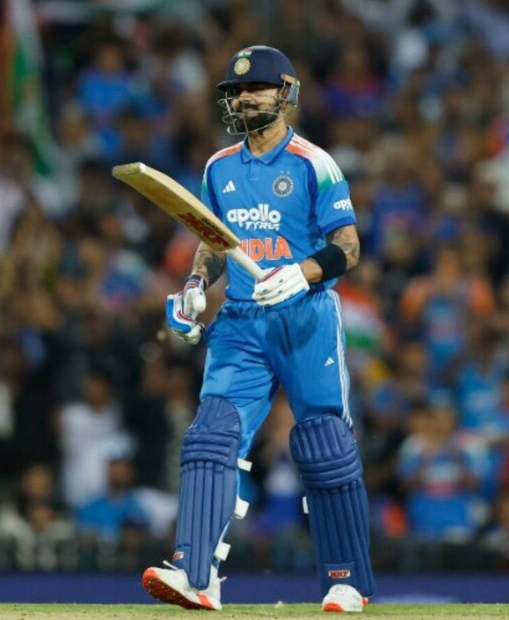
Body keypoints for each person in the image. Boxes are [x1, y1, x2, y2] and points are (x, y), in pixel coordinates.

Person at [141, 45, 375, 613]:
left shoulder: (314, 164)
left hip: (305, 316)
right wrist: (195, 286)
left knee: (323, 445)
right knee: (210, 437)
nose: (244, 99)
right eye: (236, 91)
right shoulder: (218, 168)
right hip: (242, 321)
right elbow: (213, 243)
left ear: (286, 93)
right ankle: (197, 575)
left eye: (256, 88)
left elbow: (348, 246)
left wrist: (302, 273)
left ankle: (346, 581)